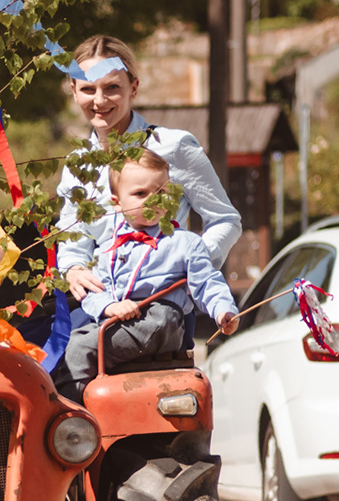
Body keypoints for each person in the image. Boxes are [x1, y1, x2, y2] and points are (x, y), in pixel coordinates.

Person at [54, 35, 242, 304]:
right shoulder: (77, 165)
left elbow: (225, 219)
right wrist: (74, 269)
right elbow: (73, 241)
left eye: (112, 87)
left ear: (133, 88)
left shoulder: (173, 146)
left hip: (164, 305)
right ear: (74, 91)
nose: (99, 100)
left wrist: (189, 264)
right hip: (104, 306)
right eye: (88, 89)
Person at [57, 151, 239, 399]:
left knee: (81, 350)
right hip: (121, 322)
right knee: (69, 345)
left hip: (162, 321)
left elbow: (207, 282)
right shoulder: (108, 249)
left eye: (161, 192)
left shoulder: (184, 242)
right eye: (141, 193)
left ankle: (70, 412)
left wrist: (223, 310)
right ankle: (76, 411)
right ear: (117, 202)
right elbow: (95, 290)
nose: (153, 200)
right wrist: (110, 306)